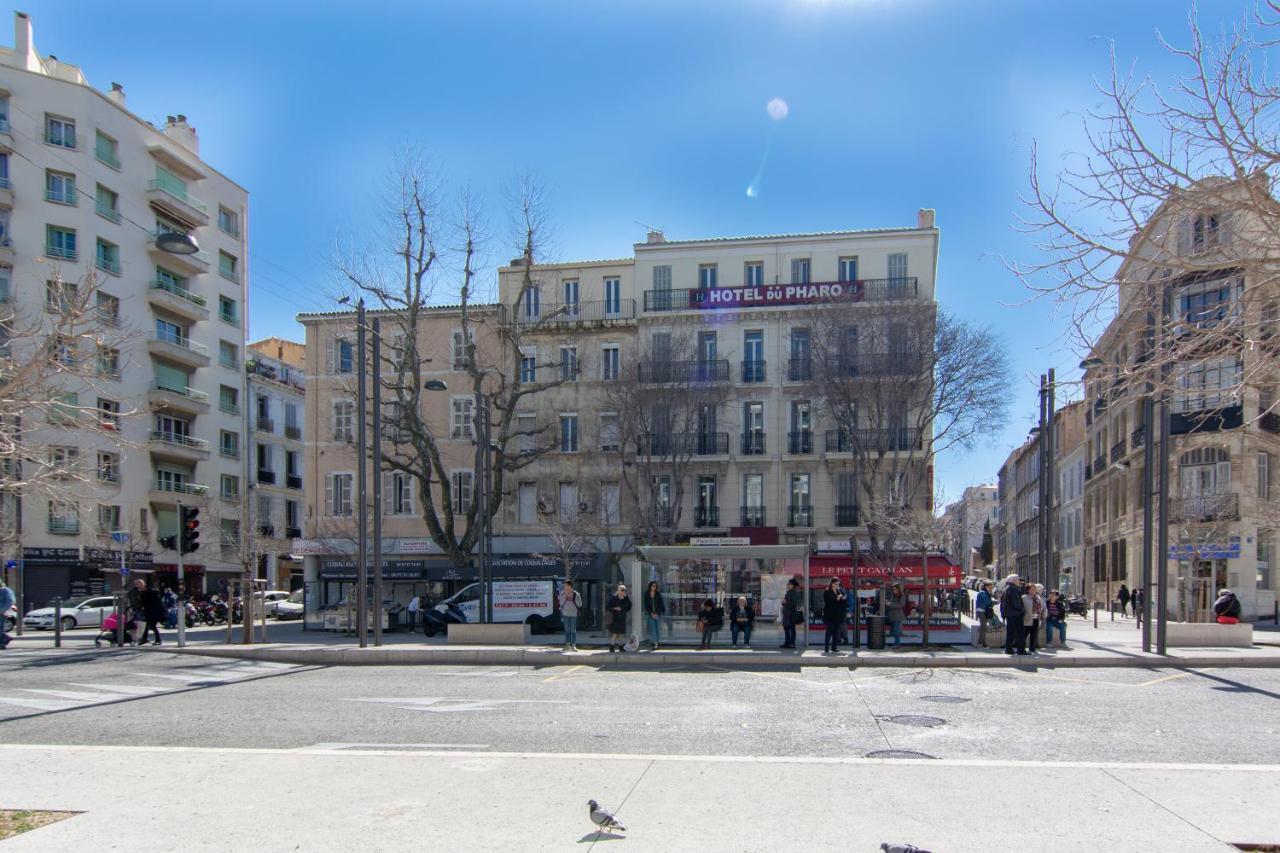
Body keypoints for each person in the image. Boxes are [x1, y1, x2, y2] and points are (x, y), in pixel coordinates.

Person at [1001, 574, 1026, 655]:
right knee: (1020, 633)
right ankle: (1021, 650)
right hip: (1016, 614)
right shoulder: (1013, 589)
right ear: (1013, 580)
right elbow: (1016, 603)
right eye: (1018, 579)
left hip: (1009, 614)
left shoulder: (1006, 588)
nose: (1019, 581)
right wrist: (1021, 610)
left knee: (1010, 633)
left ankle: (1008, 649)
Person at [822, 578, 847, 654]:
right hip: (830, 615)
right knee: (829, 631)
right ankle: (826, 648)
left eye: (838, 584)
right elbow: (828, 602)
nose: (837, 585)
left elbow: (843, 602)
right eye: (836, 584)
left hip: (838, 615)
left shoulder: (839, 591)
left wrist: (843, 598)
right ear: (832, 584)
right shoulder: (827, 591)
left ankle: (834, 647)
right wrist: (837, 598)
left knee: (836, 632)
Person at [604, 584, 631, 653]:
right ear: (618, 590)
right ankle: (612, 647)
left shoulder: (626, 598)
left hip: (622, 618)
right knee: (615, 634)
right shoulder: (613, 598)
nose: (623, 591)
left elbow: (628, 607)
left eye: (624, 590)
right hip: (614, 618)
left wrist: (622, 607)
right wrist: (614, 608)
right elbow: (608, 607)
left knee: (621, 634)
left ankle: (621, 647)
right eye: (622, 590)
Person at [559, 580, 582, 651]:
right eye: (564, 586)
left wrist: (574, 598)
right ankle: (567, 645)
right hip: (565, 614)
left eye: (566, 585)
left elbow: (580, 604)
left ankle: (574, 645)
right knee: (566, 630)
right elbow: (561, 603)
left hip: (573, 614)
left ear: (570, 586)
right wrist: (565, 595)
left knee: (573, 630)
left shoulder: (576, 594)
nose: (564, 587)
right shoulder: (562, 594)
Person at [642, 581, 665, 649]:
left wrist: (657, 613)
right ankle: (655, 643)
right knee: (653, 629)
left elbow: (661, 605)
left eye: (655, 586)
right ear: (650, 586)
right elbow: (646, 605)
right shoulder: (647, 594)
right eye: (653, 586)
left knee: (658, 629)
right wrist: (651, 613)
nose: (654, 587)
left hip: (658, 614)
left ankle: (657, 642)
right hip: (651, 614)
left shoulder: (658, 594)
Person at [780, 578, 802, 649]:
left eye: (789, 584)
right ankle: (787, 643)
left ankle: (792, 643)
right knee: (787, 629)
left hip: (791, 614)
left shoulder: (794, 592)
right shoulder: (789, 592)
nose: (788, 585)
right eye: (788, 584)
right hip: (787, 613)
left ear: (793, 585)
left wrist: (785, 602)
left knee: (792, 629)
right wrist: (783, 603)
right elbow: (787, 603)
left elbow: (794, 603)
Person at [1022, 581, 1043, 654]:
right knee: (1024, 634)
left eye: (1035, 589)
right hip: (1027, 619)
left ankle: (1032, 648)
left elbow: (1041, 607)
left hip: (1036, 618)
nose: (1034, 591)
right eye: (1032, 589)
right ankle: (1022, 648)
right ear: (1028, 590)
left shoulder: (1038, 597)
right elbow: (1022, 608)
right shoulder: (1024, 598)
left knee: (1034, 634)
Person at [885, 582, 907, 647]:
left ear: (898, 589)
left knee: (896, 630)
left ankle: (897, 644)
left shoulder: (902, 596)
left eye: (894, 589)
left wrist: (891, 604)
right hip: (892, 616)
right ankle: (896, 643)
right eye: (892, 589)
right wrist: (888, 602)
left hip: (897, 616)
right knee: (893, 631)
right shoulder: (893, 595)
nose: (893, 591)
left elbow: (901, 605)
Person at [975, 580, 995, 647]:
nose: (991, 588)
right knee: (983, 627)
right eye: (990, 587)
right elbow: (988, 602)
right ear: (986, 586)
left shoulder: (983, 592)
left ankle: (982, 642)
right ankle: (981, 642)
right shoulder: (983, 593)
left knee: (983, 627)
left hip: (982, 611)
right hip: (982, 611)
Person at [0, 577, 15, 650]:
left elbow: (10, 601)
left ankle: (2, 642)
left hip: (2, 612)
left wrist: (3, 610)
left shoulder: (6, 590)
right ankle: (6, 638)